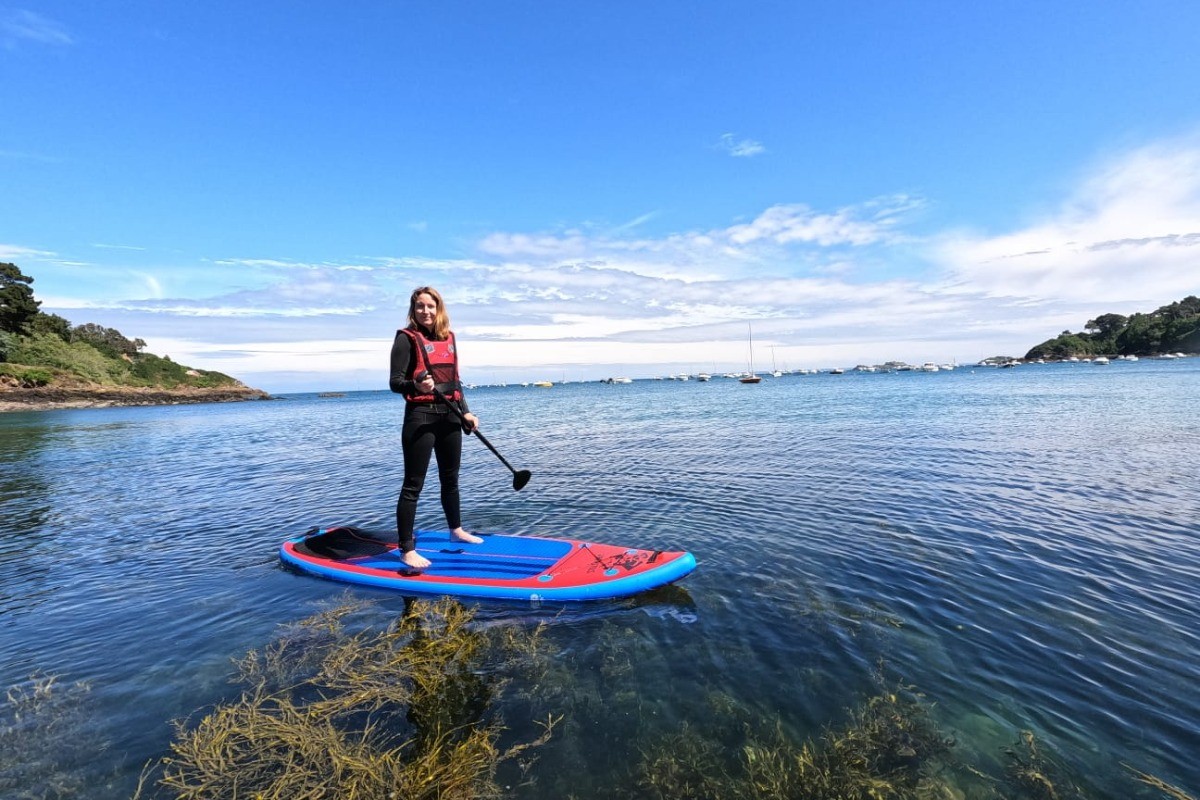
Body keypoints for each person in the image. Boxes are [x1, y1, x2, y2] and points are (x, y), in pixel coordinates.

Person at [389, 286, 484, 569]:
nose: (425, 311)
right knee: (413, 485)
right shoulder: (406, 338)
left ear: (439, 308)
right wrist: (416, 385)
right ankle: (407, 549)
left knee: (450, 479)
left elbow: (454, 381)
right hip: (421, 417)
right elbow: (395, 383)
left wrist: (466, 412)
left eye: (430, 306)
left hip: (450, 416)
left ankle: (456, 530)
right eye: (420, 306)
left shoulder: (449, 337)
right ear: (413, 309)